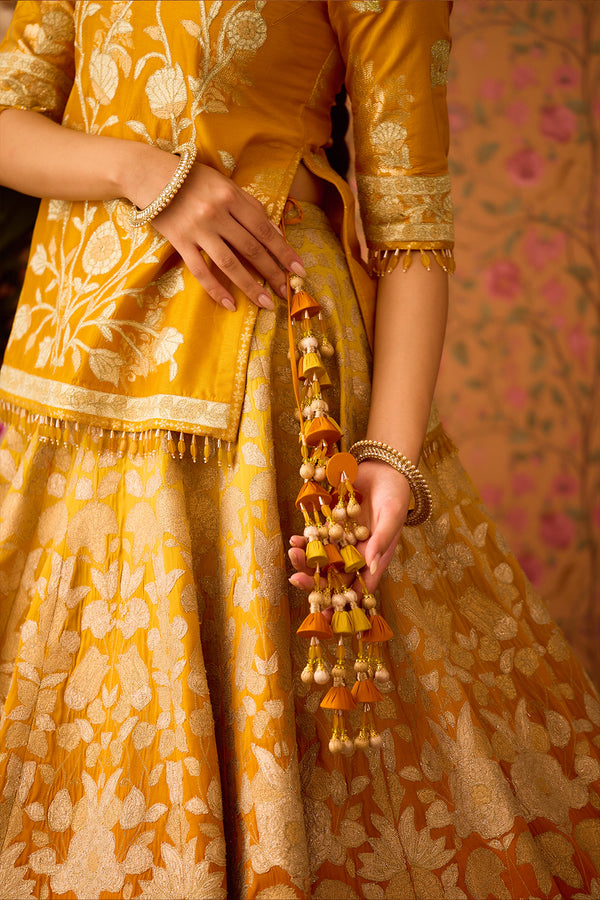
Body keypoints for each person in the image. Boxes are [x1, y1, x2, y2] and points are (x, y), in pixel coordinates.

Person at [0, 2, 599, 898]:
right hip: (67, 388)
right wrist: (143, 172)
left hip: (264, 384)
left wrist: (392, 456)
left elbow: (413, 229)